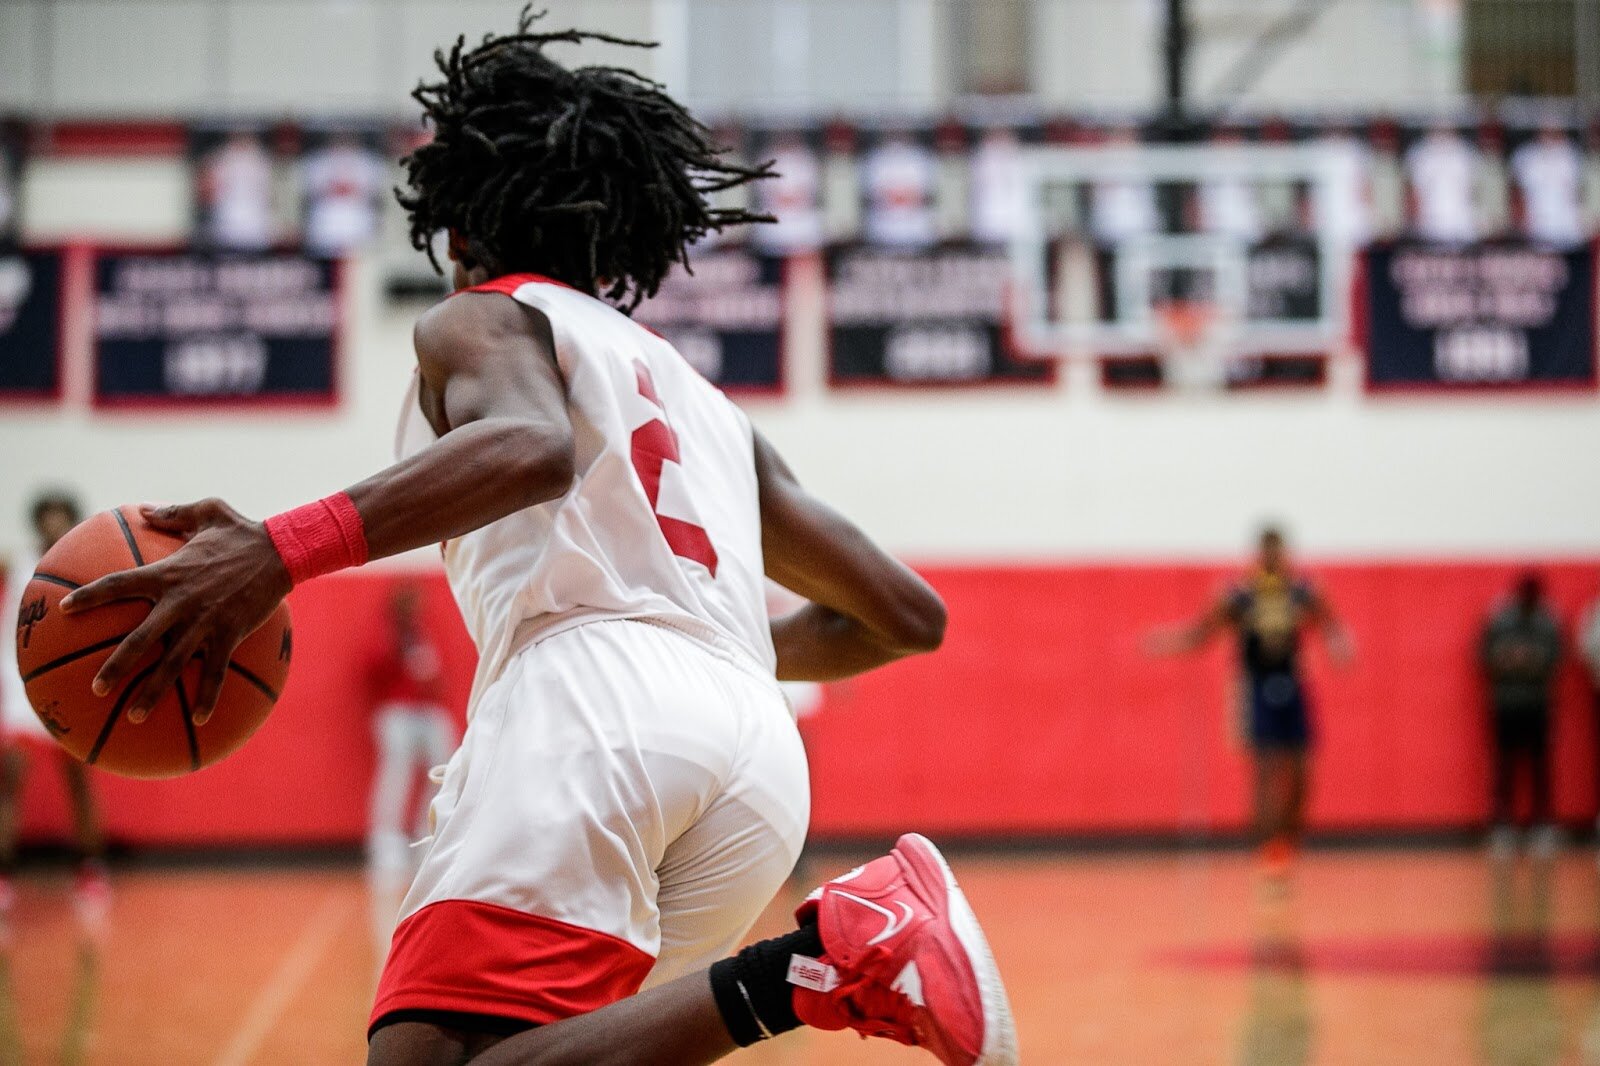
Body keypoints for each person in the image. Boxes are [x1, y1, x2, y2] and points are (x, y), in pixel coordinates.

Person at [58, 15, 1016, 1066]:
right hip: (752, 759)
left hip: (593, 711)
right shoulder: (707, 405)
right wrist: (720, 636)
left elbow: (527, 447)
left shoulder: (482, 317)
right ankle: (804, 971)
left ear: (459, 231)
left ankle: (828, 959)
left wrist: (275, 550)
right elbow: (905, 614)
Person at [1148, 526, 1353, 878]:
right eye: (1267, 553)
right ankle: (1266, 851)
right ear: (1259, 555)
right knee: (1265, 769)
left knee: (1302, 772)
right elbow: (1203, 632)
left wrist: (1338, 643)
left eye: (1279, 553)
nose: (1274, 560)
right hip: (1256, 687)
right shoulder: (1239, 595)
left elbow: (1329, 622)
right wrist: (1168, 641)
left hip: (1293, 684)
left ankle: (1288, 842)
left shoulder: (1302, 590)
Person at [0, 492, 110, 914]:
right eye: (46, 518)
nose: (52, 525)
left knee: (79, 782)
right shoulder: (18, 562)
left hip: (67, 684)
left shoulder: (83, 565)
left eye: (60, 517)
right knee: (10, 781)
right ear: (36, 523)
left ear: (72, 522)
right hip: (20, 684)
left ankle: (90, 870)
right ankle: (5, 874)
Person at [365, 581, 457, 881]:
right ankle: (386, 842)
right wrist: (397, 654)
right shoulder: (387, 632)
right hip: (398, 711)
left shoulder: (421, 633)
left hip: (427, 710)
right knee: (397, 774)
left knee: (444, 771)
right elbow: (371, 668)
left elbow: (434, 675)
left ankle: (425, 834)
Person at [1481, 572, 1563, 857]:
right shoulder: (1500, 620)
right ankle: (1502, 827)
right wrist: (1509, 659)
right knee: (1505, 767)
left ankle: (1542, 826)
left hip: (1538, 705)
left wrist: (1530, 659)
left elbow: (1555, 658)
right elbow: (1485, 655)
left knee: (1541, 768)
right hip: (1506, 705)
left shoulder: (1547, 622)